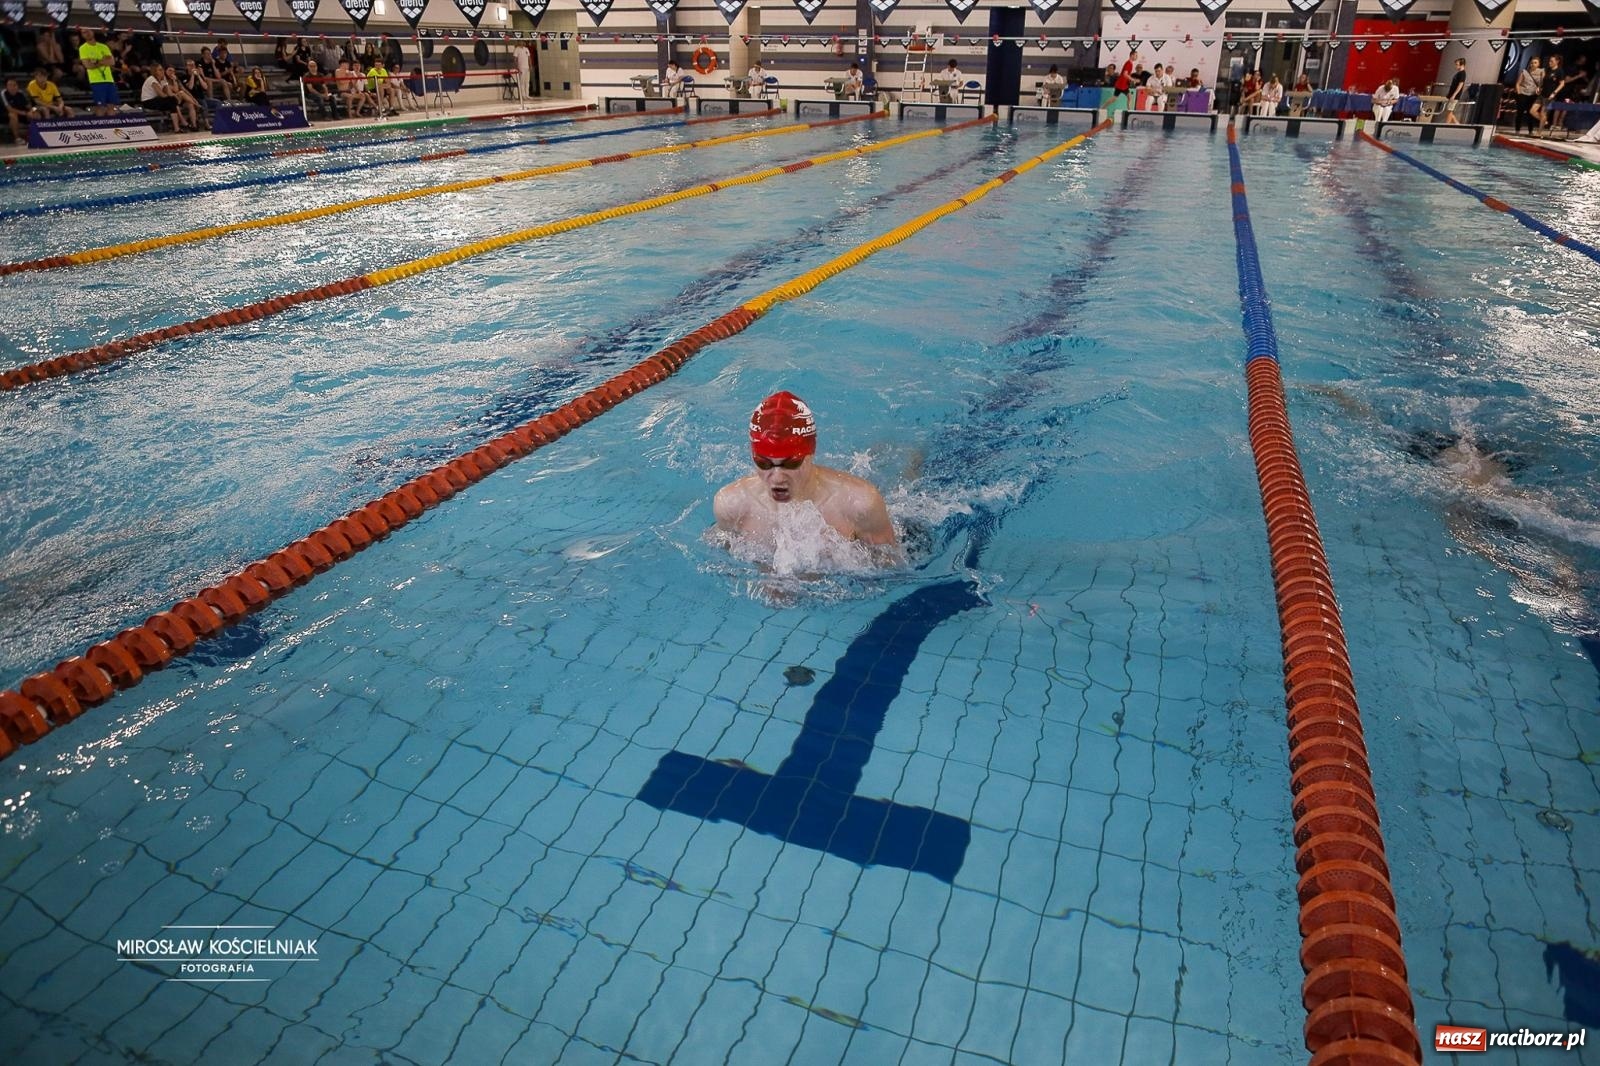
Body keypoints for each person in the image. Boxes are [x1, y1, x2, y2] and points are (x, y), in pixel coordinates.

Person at [714, 392, 902, 565]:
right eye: (764, 464)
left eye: (791, 464)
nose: (777, 477)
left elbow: (892, 570)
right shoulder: (731, 505)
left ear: (810, 453)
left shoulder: (860, 505)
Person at [79, 27, 118, 116]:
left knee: (111, 106)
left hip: (109, 79)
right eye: (84, 32)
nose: (87, 33)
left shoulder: (103, 46)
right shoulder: (83, 48)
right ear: (82, 35)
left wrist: (96, 61)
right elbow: (88, 65)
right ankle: (100, 127)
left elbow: (112, 62)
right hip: (96, 81)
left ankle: (112, 127)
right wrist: (103, 61)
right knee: (101, 106)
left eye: (88, 31)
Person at [3, 77, 40, 144]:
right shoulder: (3, 94)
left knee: (37, 114)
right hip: (6, 116)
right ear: (6, 87)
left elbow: (31, 106)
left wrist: (33, 111)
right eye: (10, 85)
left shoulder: (21, 93)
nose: (12, 87)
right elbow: (10, 109)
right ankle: (17, 139)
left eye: (14, 85)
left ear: (17, 86)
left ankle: (36, 136)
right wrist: (26, 113)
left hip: (22, 115)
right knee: (12, 115)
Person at [1512, 57, 1542, 136]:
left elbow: (1542, 85)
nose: (1533, 64)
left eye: (1535, 62)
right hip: (1523, 94)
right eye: (1532, 62)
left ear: (1539, 64)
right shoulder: (1524, 71)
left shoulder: (1541, 73)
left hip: (1533, 95)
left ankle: (1530, 131)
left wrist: (1539, 89)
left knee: (1531, 113)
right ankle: (1517, 130)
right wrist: (1519, 93)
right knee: (1520, 112)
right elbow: (1518, 83)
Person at [1443, 57, 1467, 124]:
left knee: (1450, 110)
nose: (1455, 66)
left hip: (1455, 95)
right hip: (1452, 94)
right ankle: (1457, 124)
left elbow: (1460, 85)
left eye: (1457, 64)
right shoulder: (1458, 73)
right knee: (1449, 110)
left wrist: (1454, 95)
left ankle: (1446, 125)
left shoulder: (1462, 73)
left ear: (1462, 65)